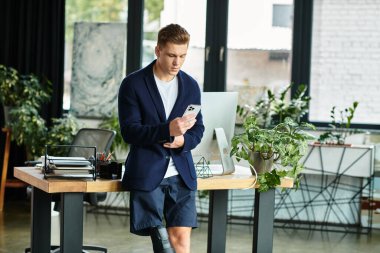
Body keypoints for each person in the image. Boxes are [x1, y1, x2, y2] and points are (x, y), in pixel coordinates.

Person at [118, 24, 204, 253]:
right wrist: (167, 130)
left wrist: (183, 141)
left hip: (181, 173)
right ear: (158, 51)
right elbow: (129, 131)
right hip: (147, 171)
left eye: (183, 56)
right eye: (172, 55)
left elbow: (198, 129)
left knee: (182, 241)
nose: (177, 62)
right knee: (162, 242)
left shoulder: (191, 86)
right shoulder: (133, 84)